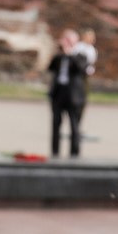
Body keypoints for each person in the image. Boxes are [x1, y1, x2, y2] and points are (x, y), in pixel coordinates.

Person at [46, 28, 89, 158]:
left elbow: (82, 69)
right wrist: (59, 52)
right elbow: (50, 68)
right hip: (59, 94)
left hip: (74, 96)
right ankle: (55, 152)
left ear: (76, 41)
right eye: (66, 39)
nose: (67, 42)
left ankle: (74, 154)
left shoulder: (81, 55)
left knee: (74, 126)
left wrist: (70, 54)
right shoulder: (59, 56)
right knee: (55, 125)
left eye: (70, 39)